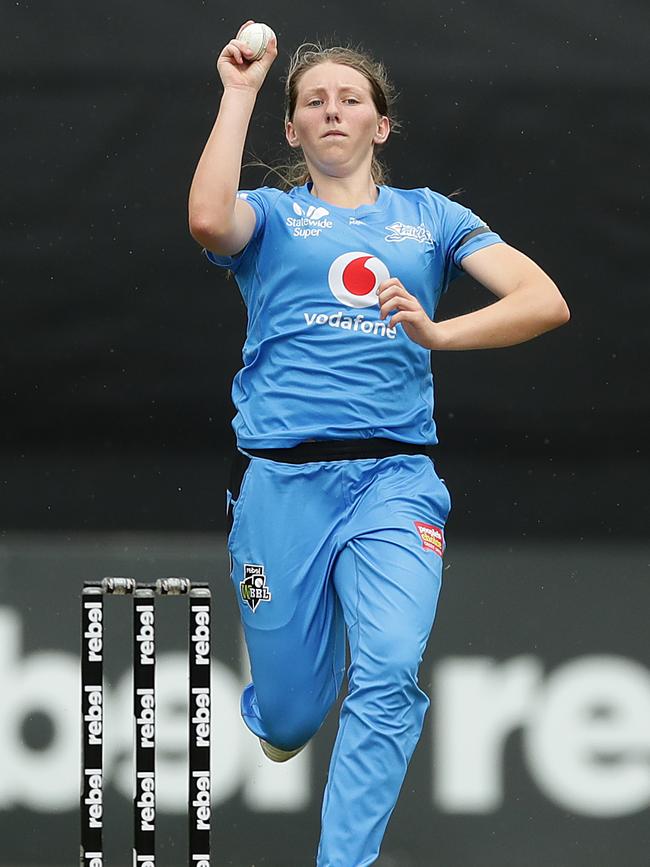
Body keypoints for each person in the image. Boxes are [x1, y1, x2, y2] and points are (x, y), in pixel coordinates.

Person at [188, 22, 570, 867]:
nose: (332, 111)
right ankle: (281, 718)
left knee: (391, 668)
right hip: (278, 485)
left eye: (349, 99)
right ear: (291, 129)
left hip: (394, 479)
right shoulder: (276, 217)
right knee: (289, 716)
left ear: (380, 123)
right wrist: (240, 90)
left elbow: (542, 299)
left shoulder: (429, 217)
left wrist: (439, 336)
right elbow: (209, 221)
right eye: (312, 102)